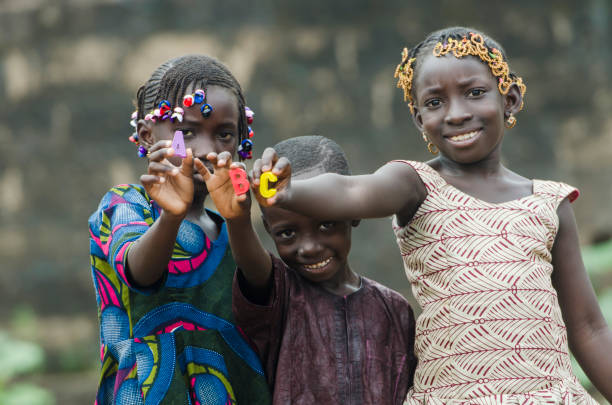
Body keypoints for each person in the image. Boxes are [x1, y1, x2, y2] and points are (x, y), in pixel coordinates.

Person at [251, 27, 612, 403]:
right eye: (435, 102)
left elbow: (588, 327)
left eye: (475, 93)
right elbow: (352, 190)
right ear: (418, 118)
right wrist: (289, 191)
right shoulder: (414, 184)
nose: (456, 114)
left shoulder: (549, 203)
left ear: (510, 98)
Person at [88, 54, 270, 404]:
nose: (206, 149)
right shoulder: (125, 206)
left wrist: (239, 219)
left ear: (241, 142)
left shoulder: (226, 226)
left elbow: (262, 290)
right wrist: (171, 217)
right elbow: (139, 273)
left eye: (224, 134)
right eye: (186, 132)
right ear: (146, 134)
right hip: (150, 390)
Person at [197, 135, 417, 404]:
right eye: (288, 233)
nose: (309, 247)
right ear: (269, 230)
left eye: (326, 225)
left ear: (355, 212)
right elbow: (253, 266)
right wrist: (238, 220)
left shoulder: (394, 309)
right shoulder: (277, 295)